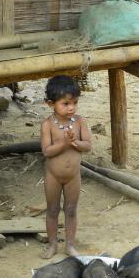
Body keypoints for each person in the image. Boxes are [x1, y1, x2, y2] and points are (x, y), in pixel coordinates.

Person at [40, 76, 91, 259]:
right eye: (66, 103)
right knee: (52, 209)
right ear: (50, 104)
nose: (71, 108)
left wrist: (75, 142)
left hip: (73, 176)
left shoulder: (79, 122)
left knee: (71, 209)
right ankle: (52, 244)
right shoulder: (47, 125)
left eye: (75, 103)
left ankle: (70, 245)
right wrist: (64, 143)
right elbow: (47, 151)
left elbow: (87, 146)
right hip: (53, 175)